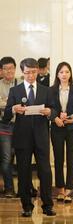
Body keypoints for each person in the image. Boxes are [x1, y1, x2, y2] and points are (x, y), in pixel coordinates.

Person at [3, 58, 57, 217]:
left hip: (41, 137)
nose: (31, 76)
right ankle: (26, 206)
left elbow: (54, 110)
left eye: (33, 72)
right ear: (22, 72)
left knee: (45, 171)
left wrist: (50, 113)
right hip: (22, 137)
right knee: (24, 172)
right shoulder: (15, 91)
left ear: (38, 71)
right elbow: (6, 116)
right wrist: (13, 108)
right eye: (27, 73)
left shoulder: (46, 90)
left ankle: (47, 205)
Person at [50, 62, 73, 203]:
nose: (64, 74)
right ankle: (60, 189)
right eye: (61, 72)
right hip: (56, 128)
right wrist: (55, 118)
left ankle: (69, 190)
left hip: (72, 129)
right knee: (58, 159)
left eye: (67, 72)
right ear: (57, 75)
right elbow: (48, 109)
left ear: (70, 74)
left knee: (71, 159)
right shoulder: (51, 90)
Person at [0, 56, 22, 198]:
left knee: (22, 157)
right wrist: (11, 105)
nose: (9, 71)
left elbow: (25, 104)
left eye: (12, 68)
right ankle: (9, 189)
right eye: (6, 68)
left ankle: (24, 189)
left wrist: (5, 103)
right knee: (6, 158)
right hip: (5, 126)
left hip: (21, 125)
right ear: (1, 71)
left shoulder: (21, 83)